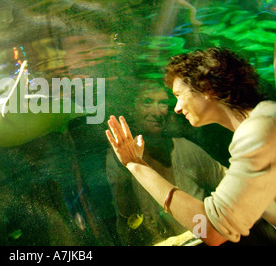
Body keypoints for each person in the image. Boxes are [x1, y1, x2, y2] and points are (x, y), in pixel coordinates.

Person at [106, 47, 276, 245]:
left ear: (206, 88)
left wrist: (135, 164)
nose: (176, 108)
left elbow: (211, 230)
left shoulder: (259, 130)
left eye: (178, 94)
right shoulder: (264, 121)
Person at [106, 78, 225, 245]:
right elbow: (126, 221)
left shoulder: (185, 149)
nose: (156, 112)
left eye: (162, 103)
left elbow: (230, 185)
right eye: (148, 102)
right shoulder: (117, 160)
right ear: (131, 109)